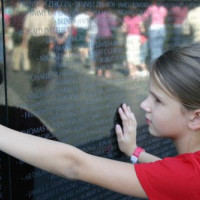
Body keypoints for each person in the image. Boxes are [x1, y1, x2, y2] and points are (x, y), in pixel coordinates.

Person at [0, 44, 200, 199]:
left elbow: (74, 165)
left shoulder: (187, 179)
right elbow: (171, 173)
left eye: (158, 100)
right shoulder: (189, 173)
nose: (144, 105)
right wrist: (135, 152)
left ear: (195, 117)